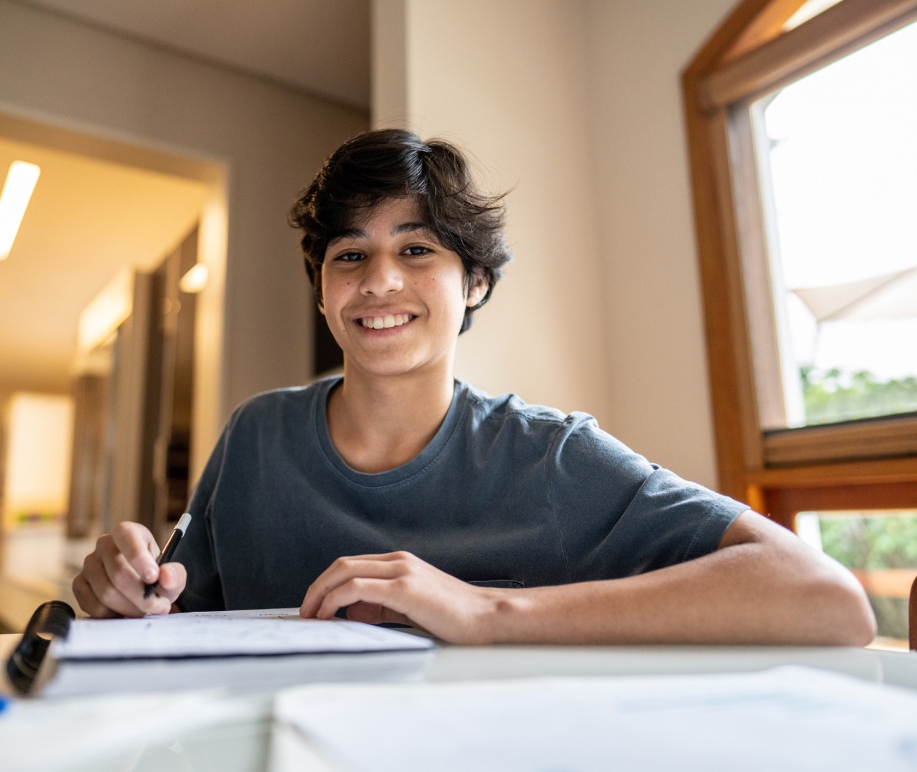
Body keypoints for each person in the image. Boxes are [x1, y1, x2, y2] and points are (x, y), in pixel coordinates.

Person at [72, 129, 875, 646]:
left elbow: (825, 598)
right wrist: (125, 600)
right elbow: (180, 631)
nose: (380, 281)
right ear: (322, 291)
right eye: (349, 256)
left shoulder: (551, 458)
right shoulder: (255, 438)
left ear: (477, 284)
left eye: (416, 250)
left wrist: (487, 611)